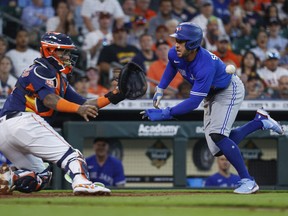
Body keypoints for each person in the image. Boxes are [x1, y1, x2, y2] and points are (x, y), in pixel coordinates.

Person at [141, 22, 284, 194]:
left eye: (181, 40)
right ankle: (259, 122)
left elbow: (193, 103)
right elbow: (173, 65)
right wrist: (160, 88)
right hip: (211, 93)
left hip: (228, 90)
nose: (176, 44)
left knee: (217, 135)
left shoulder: (204, 64)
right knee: (217, 149)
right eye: (176, 40)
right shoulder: (175, 53)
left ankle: (248, 180)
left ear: (193, 44)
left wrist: (166, 113)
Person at [0, 32, 127, 195]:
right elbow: (50, 100)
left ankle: (8, 178)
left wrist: (116, 94)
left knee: (41, 177)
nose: (68, 56)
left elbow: (86, 103)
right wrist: (78, 109)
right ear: (49, 50)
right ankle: (82, 183)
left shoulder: (59, 77)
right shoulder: (41, 69)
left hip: (5, 130)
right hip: (23, 122)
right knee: (73, 156)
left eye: (68, 52)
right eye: (63, 51)